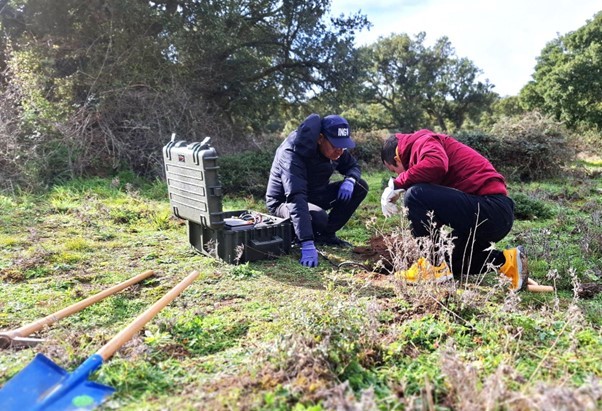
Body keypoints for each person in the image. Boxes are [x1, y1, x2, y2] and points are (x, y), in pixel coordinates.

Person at [380, 129, 528, 290]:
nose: (397, 174)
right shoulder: (418, 151)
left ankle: (432, 264)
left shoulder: (422, 141)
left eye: (394, 171)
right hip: (491, 215)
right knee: (449, 258)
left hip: (491, 208)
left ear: (397, 159)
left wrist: (398, 183)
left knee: (415, 195)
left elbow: (436, 165)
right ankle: (508, 262)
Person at [266, 114, 369, 268]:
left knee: (359, 186)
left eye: (343, 146)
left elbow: (352, 166)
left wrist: (350, 179)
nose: (340, 151)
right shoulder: (292, 152)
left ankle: (326, 235)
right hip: (284, 202)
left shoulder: (335, 148)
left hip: (315, 194)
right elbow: (296, 196)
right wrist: (306, 242)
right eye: (335, 145)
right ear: (320, 138)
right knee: (319, 216)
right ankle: (306, 235)